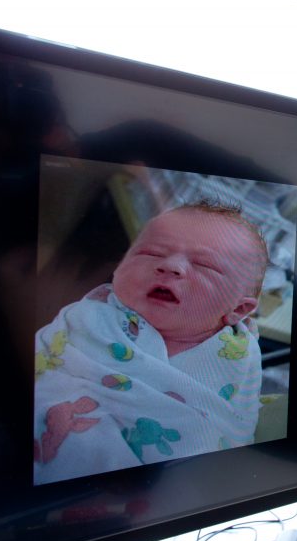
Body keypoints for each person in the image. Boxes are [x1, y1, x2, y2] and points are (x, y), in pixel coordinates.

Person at [34, 201, 270, 484]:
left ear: (238, 310)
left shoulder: (238, 356)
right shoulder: (89, 319)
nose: (170, 266)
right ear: (118, 270)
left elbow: (233, 426)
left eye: (205, 265)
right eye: (150, 253)